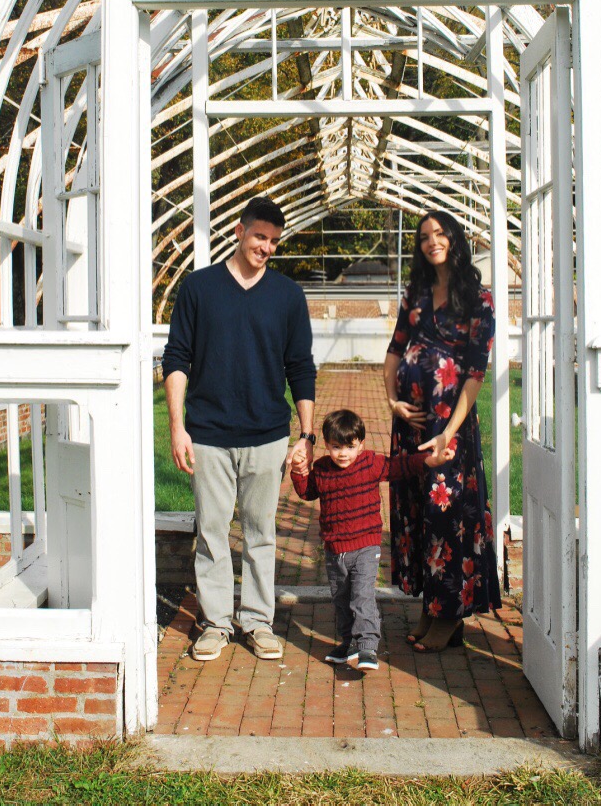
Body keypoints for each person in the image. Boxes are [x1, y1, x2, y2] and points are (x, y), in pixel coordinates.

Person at [162, 197, 316, 662]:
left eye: (274, 241)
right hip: (208, 434)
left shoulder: (287, 296)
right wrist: (177, 427)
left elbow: (300, 366)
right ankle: (215, 624)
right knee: (211, 533)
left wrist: (306, 435)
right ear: (239, 231)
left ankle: (257, 621)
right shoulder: (199, 288)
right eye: (259, 237)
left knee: (260, 532)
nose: (266, 247)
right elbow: (177, 357)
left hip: (267, 435)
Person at [384, 210, 501, 653]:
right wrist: (392, 400)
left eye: (439, 233)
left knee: (446, 517)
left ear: (454, 238)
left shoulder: (478, 299)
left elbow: (475, 373)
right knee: (415, 511)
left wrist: (449, 432)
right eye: (424, 236)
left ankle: (450, 613)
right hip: (410, 424)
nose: (431, 241)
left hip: (447, 429)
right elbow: (394, 350)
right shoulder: (415, 293)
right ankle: (430, 605)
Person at [290, 408, 454, 670]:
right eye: (336, 447)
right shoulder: (321, 469)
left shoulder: (370, 463)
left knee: (361, 596)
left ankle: (367, 645)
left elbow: (400, 466)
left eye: (350, 446)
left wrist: (429, 460)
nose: (343, 453)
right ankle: (349, 642)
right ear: (327, 445)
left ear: (361, 445)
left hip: (366, 546)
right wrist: (299, 471)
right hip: (334, 550)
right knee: (342, 600)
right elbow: (307, 492)